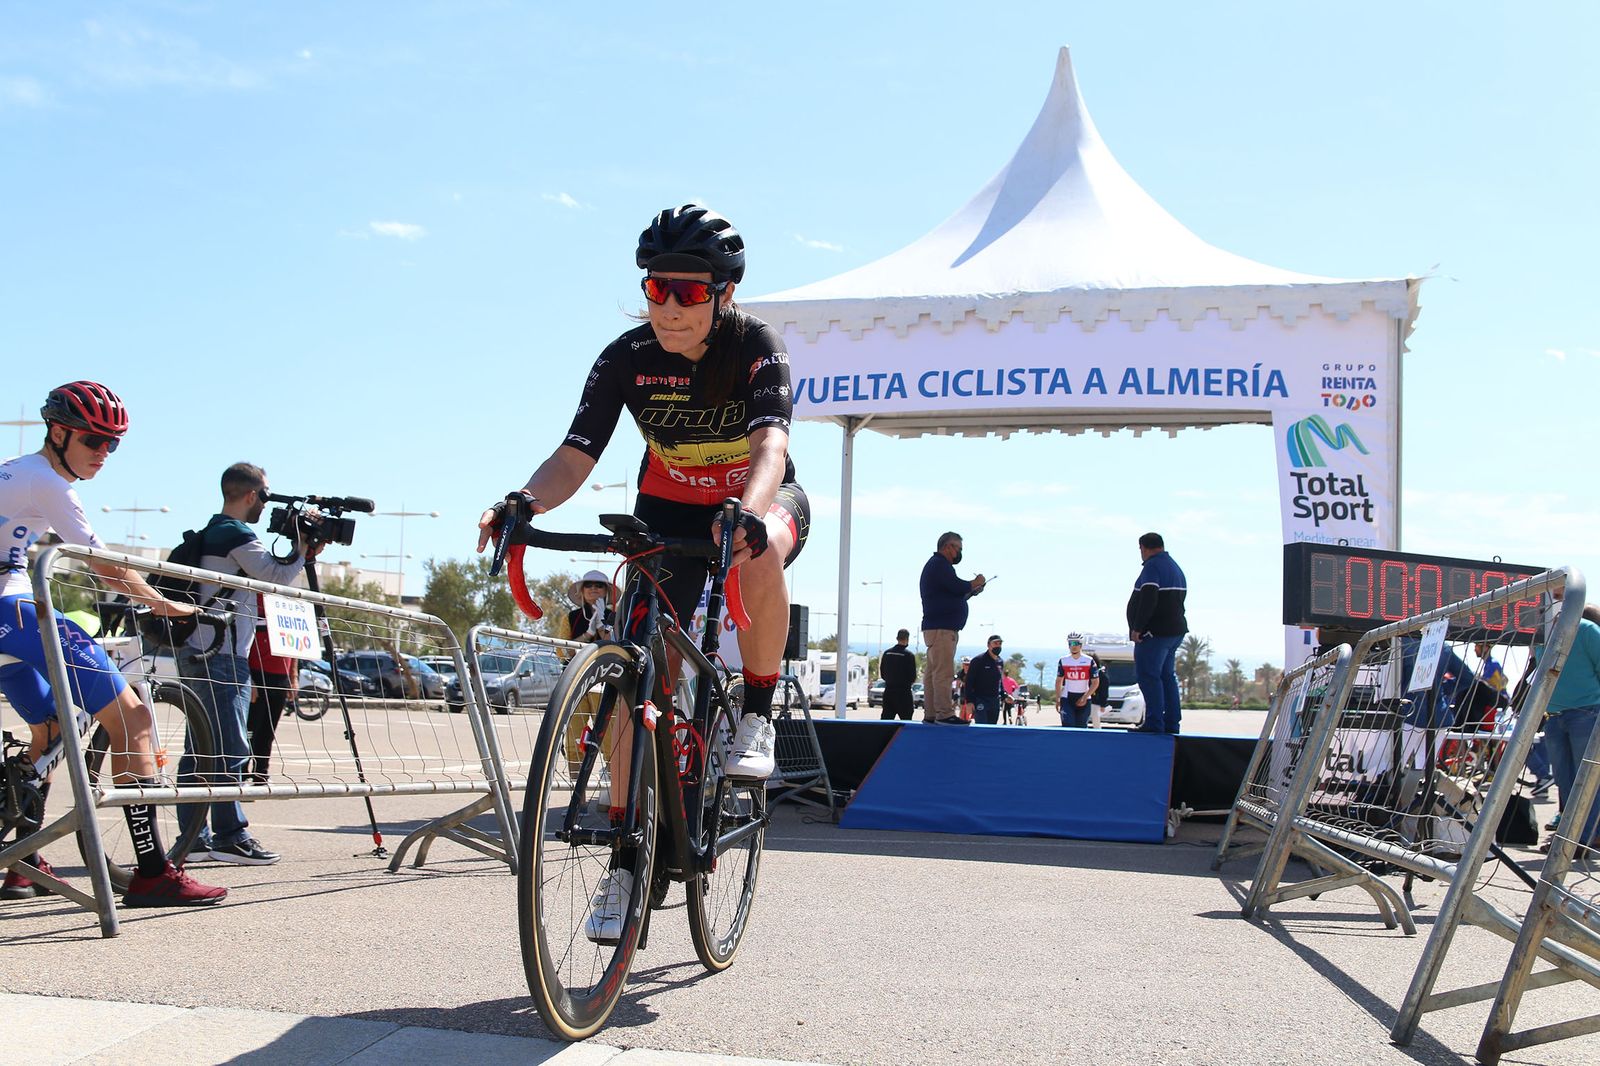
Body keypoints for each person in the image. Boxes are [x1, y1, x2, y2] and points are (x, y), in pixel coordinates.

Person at [475, 202, 810, 940]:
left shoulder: (758, 345)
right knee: (630, 675)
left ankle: (755, 712)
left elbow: (770, 450)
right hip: (664, 512)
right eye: (657, 288)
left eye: (688, 292)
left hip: (758, 499)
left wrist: (746, 511)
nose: (668, 306)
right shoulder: (626, 356)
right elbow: (574, 457)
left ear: (723, 294)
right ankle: (627, 858)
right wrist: (522, 501)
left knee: (756, 546)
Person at [0, 382, 225, 906]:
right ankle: (151, 874)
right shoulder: (48, 481)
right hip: (8, 610)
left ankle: (22, 860)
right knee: (133, 720)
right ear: (58, 432)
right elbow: (105, 567)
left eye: (113, 444)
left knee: (53, 728)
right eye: (94, 441)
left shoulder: (13, 471)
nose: (103, 454)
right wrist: (167, 604)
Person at [177, 462, 322, 866]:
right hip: (220, 654)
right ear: (250, 495)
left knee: (199, 749)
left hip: (198, 648)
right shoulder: (235, 532)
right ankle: (229, 835)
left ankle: (194, 837)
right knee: (229, 747)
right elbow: (275, 578)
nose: (267, 503)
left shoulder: (211, 531)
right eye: (266, 494)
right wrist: (303, 550)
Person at [1536, 590, 1600, 851]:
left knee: (1586, 781)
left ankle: (1582, 839)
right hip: (1554, 717)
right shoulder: (1540, 637)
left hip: (1587, 713)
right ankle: (1571, 837)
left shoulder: (1587, 630)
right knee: (1565, 781)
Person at [1127, 532, 1187, 734]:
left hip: (1155, 634)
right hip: (1174, 631)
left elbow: (1149, 598)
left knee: (1148, 675)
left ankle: (1154, 722)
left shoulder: (1153, 566)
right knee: (1166, 676)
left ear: (1143, 547)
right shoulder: (1173, 566)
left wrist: (1138, 627)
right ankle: (1171, 722)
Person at [246, 593, 296, 785]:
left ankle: (261, 775)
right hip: (256, 675)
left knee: (268, 732)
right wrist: (248, 679)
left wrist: (293, 677)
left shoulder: (286, 604)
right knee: (250, 730)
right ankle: (242, 773)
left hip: (280, 678)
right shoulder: (251, 599)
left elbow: (294, 644)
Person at [1054, 633, 1098, 729]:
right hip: (1067, 698)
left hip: (1084, 698)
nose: (1073, 646)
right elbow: (1058, 681)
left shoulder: (1089, 660)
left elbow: (1095, 682)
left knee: (1081, 728)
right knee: (1068, 727)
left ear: (1081, 644)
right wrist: (1058, 699)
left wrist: (1085, 697)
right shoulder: (1063, 660)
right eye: (1070, 643)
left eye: (1076, 643)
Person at [564, 570, 618, 646]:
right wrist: (588, 634)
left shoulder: (615, 617)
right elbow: (562, 652)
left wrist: (601, 627)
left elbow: (616, 647)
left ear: (606, 591)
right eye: (588, 585)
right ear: (582, 591)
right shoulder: (571, 616)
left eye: (599, 585)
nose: (593, 588)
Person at [963, 635, 1006, 725]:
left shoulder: (1000, 661)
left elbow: (999, 681)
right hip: (980, 700)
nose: (998, 646)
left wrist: (1004, 694)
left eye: (1000, 643)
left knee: (992, 728)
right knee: (982, 727)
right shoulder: (978, 660)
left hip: (995, 701)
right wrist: (969, 702)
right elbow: (969, 682)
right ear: (988, 645)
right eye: (995, 643)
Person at [878, 628, 917, 722]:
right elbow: (912, 676)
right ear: (907, 639)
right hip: (904, 693)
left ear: (897, 638)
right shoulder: (909, 655)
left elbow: (882, 673)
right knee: (906, 722)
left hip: (889, 691)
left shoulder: (887, 653)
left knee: (886, 722)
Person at [1088, 652, 1111, 729]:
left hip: (1096, 701)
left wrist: (1103, 704)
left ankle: (1097, 733)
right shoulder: (1090, 672)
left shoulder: (1100, 673)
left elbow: (1103, 690)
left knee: (1096, 719)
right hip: (1089, 700)